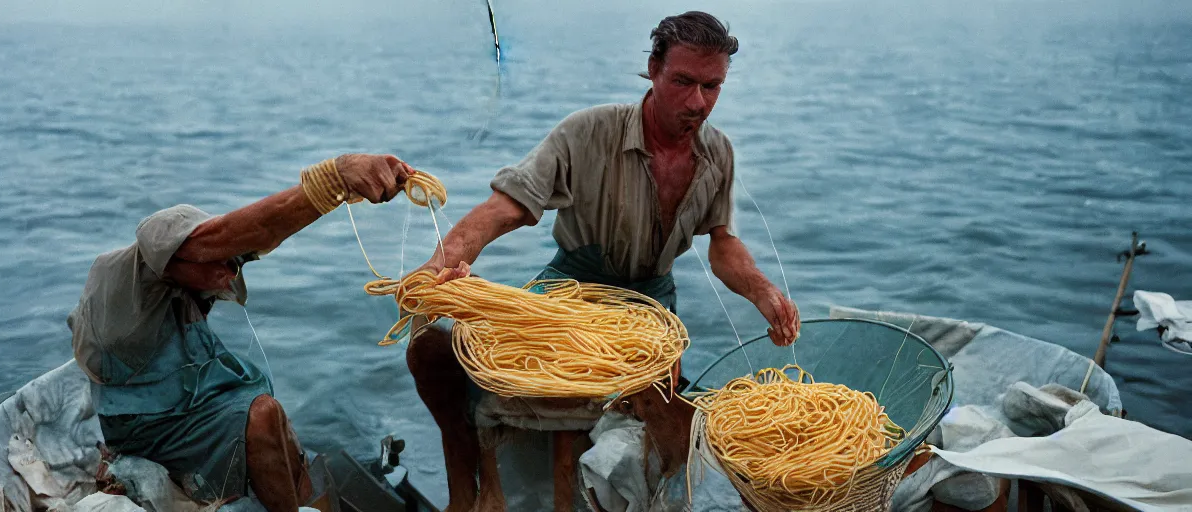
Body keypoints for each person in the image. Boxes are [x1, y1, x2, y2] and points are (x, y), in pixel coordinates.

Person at [405, 11, 801, 511]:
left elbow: (722, 242)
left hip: (651, 305)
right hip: (569, 291)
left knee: (664, 418)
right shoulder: (587, 132)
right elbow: (507, 208)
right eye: (683, 82)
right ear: (654, 69)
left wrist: (764, 293)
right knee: (450, 357)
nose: (698, 102)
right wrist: (441, 263)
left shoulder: (718, 153)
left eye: (712, 86)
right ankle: (475, 487)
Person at [68, 153, 417, 511]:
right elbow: (231, 233)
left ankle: (297, 496)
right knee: (263, 413)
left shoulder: (182, 280)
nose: (231, 271)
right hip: (144, 424)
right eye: (223, 256)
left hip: (182, 404)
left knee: (277, 422)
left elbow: (261, 236)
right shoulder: (148, 255)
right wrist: (336, 179)